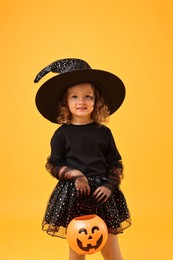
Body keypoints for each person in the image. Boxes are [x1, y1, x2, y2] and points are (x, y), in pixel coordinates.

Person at [34, 58, 131, 260]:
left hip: (102, 194)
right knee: (78, 242)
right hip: (75, 194)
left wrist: (109, 186)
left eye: (88, 97)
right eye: (75, 97)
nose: (81, 102)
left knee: (110, 243)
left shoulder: (103, 133)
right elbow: (54, 164)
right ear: (65, 102)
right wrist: (75, 174)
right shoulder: (61, 134)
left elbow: (115, 164)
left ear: (96, 101)